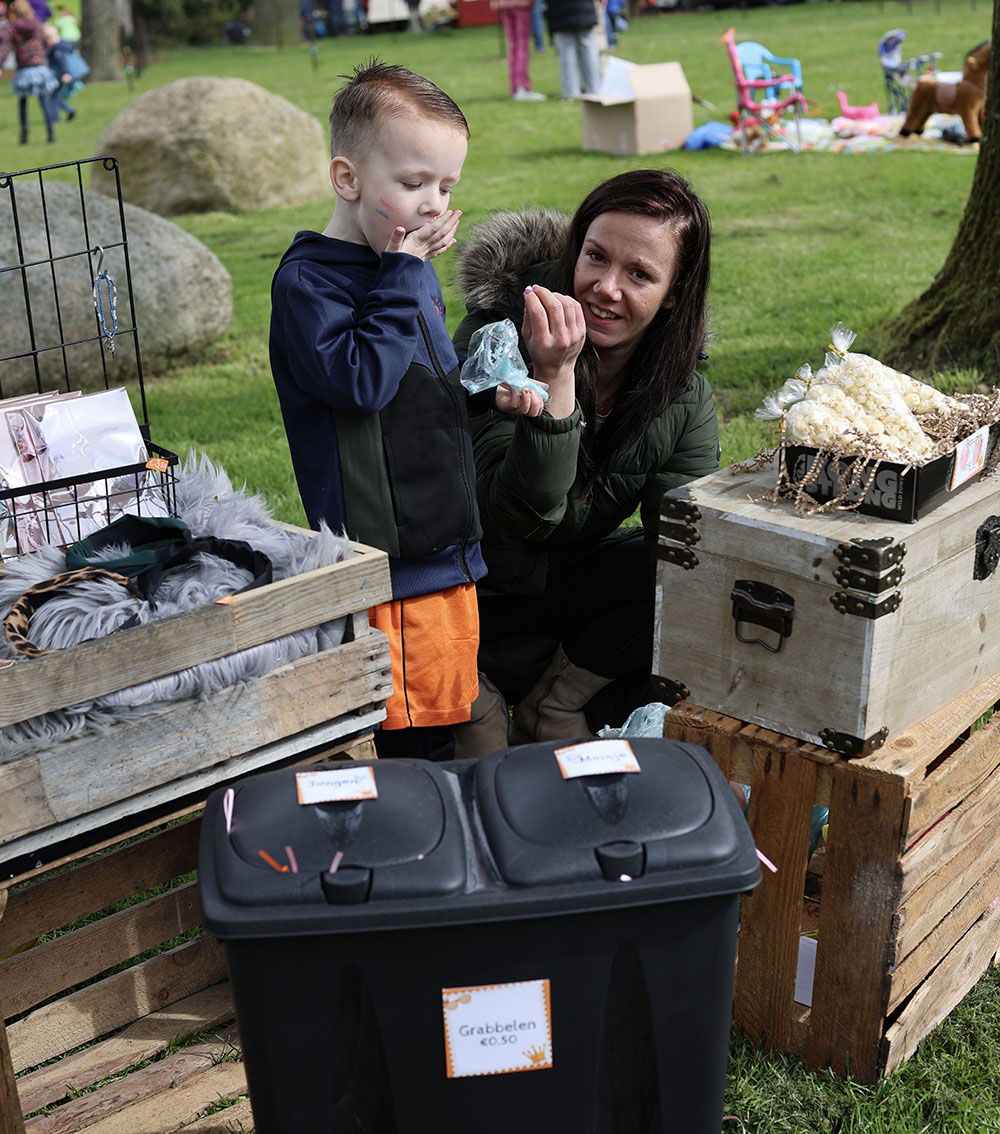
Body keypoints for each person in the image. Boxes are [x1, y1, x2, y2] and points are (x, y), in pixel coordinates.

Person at [269, 61, 538, 763]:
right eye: (413, 183)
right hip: (389, 562)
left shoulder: (400, 266)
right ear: (347, 179)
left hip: (443, 548)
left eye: (445, 186)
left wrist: (483, 389)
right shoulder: (310, 282)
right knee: (408, 739)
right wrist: (407, 276)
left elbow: (415, 381)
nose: (431, 203)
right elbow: (359, 383)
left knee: (444, 721)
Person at [452, 169, 720, 753]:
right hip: (471, 595)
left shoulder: (681, 394)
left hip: (565, 593)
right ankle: (480, 692)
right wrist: (554, 380)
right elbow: (520, 517)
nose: (605, 287)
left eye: (640, 274)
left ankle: (556, 705)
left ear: (673, 291)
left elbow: (685, 545)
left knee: (686, 573)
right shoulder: (498, 336)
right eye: (595, 257)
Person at [0, 0, 59, 143]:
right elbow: (46, 40)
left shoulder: (12, 28)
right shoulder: (37, 24)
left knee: (23, 103)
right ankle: (50, 132)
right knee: (44, 100)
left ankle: (24, 135)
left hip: (25, 68)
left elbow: (5, 47)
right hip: (39, 66)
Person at [545, 0, 600, 99]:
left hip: (560, 10)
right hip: (583, 8)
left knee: (567, 51)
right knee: (588, 49)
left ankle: (570, 92)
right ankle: (594, 89)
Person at [493, 0, 545, 101]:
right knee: (522, 45)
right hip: (521, 5)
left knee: (512, 45)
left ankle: (515, 88)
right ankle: (523, 87)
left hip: (505, 5)